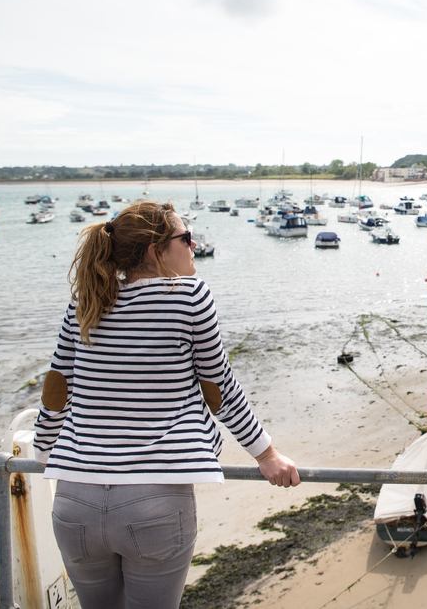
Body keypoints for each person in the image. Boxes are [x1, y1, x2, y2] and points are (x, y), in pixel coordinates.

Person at [34, 200, 299, 608]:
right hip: (153, 503)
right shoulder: (190, 297)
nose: (193, 246)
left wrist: (43, 453)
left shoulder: (83, 302)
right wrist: (266, 454)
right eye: (186, 238)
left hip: (74, 501)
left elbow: (56, 391)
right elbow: (219, 388)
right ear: (157, 250)